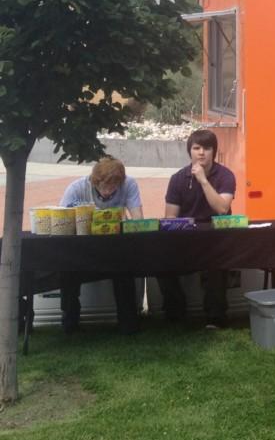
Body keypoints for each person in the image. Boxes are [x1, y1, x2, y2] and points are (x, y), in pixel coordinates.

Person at [157, 129, 237, 328]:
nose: (201, 153)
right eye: (196, 148)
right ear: (190, 151)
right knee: (159, 262)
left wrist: (203, 180)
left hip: (217, 238)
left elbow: (222, 208)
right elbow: (170, 217)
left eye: (207, 148)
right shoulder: (177, 178)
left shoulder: (225, 175)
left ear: (214, 152)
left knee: (217, 264)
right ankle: (176, 314)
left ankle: (215, 318)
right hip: (187, 238)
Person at [59, 158, 143, 334]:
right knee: (67, 270)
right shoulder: (77, 188)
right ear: (94, 181)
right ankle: (70, 322)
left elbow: (138, 221)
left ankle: (128, 323)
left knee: (125, 269)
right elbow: (62, 223)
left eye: (113, 187)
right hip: (83, 251)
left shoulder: (129, 184)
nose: (107, 192)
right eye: (103, 186)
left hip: (116, 250)